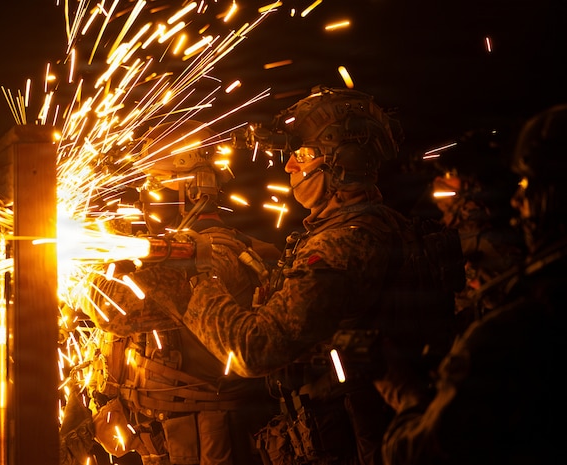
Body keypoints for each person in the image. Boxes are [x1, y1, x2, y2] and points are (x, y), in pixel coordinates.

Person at [178, 87, 464, 465]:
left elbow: (254, 349)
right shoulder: (372, 226)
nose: (289, 167)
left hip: (356, 443)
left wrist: (195, 281)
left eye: (303, 155)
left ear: (341, 162)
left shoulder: (342, 244)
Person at [63, 119, 282, 465]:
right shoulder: (177, 251)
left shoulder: (212, 254)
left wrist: (77, 272)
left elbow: (116, 310)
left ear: (193, 189)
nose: (144, 198)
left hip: (207, 446)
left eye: (154, 184)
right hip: (169, 441)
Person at [374, 104, 567, 465]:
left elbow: (420, 452)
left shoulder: (514, 329)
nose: (518, 200)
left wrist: (409, 397)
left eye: (527, 184)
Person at [423, 133, 524, 328]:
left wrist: (479, 283)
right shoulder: (451, 227)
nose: (439, 181)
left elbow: (509, 299)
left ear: (470, 182)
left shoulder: (488, 238)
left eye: (449, 175)